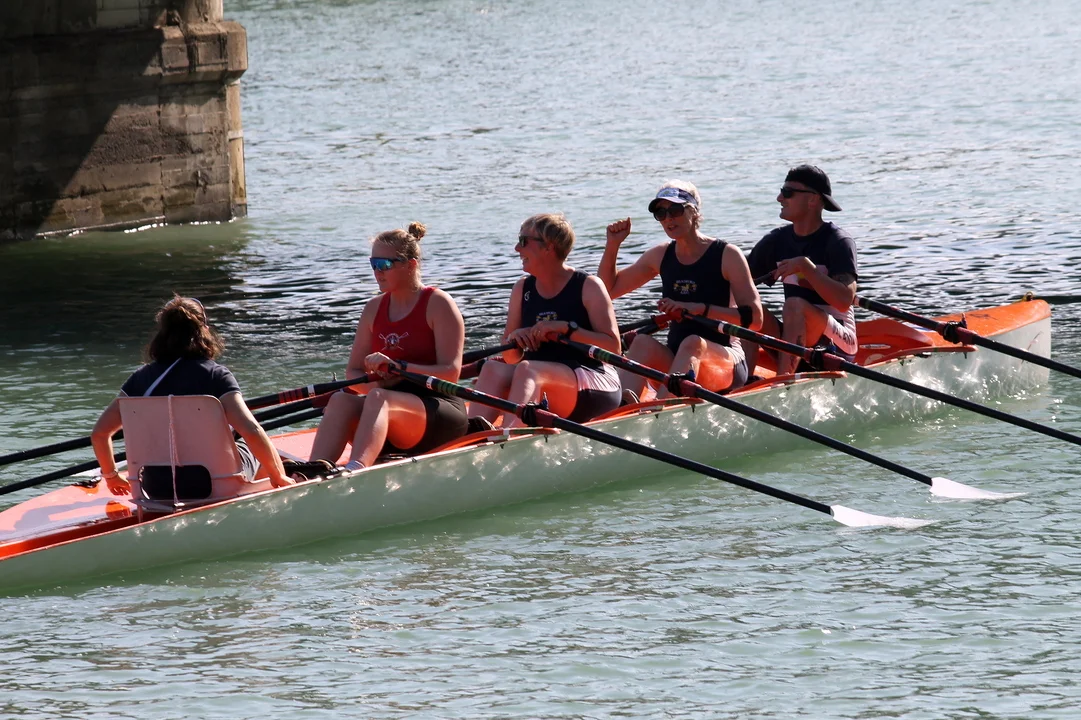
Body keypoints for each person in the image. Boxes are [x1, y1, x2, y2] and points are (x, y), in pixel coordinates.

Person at [91, 295, 292, 495]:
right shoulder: (216, 375)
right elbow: (252, 431)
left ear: (162, 334)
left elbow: (100, 434)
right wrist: (278, 475)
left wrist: (111, 476)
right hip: (214, 484)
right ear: (204, 330)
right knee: (251, 443)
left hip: (156, 489)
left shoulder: (140, 379)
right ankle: (269, 493)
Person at [309, 222, 468, 471]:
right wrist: (381, 383)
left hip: (439, 411)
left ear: (410, 264)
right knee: (340, 400)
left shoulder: (438, 304)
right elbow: (353, 372)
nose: (377, 272)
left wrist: (399, 368)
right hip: (387, 409)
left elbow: (451, 373)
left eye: (384, 265)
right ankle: (311, 472)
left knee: (378, 398)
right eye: (373, 264)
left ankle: (356, 469)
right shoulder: (373, 309)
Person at [598, 180, 762, 401]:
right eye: (661, 213)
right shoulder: (660, 255)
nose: (668, 219)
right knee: (641, 342)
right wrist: (612, 246)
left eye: (675, 210)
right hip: (679, 361)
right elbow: (607, 292)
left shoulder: (727, 255)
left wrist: (698, 309)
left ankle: (661, 408)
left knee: (693, 342)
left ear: (693, 211)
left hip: (726, 362)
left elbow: (754, 320)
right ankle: (621, 409)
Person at [468, 213, 622, 429]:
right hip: (542, 378)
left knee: (528, 370)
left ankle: (511, 434)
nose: (517, 248)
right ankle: (470, 435)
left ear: (548, 247)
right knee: (492, 369)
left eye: (523, 241)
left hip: (593, 381)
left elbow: (614, 348)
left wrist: (567, 329)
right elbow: (510, 358)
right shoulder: (522, 288)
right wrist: (515, 339)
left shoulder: (588, 286)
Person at [746, 165, 858, 376]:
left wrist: (807, 269)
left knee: (794, 305)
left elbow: (845, 300)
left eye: (788, 192)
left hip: (837, 345)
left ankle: (784, 381)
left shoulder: (838, 241)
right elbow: (737, 281)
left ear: (813, 199)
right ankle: (744, 381)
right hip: (796, 342)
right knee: (747, 306)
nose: (780, 198)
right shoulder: (776, 241)